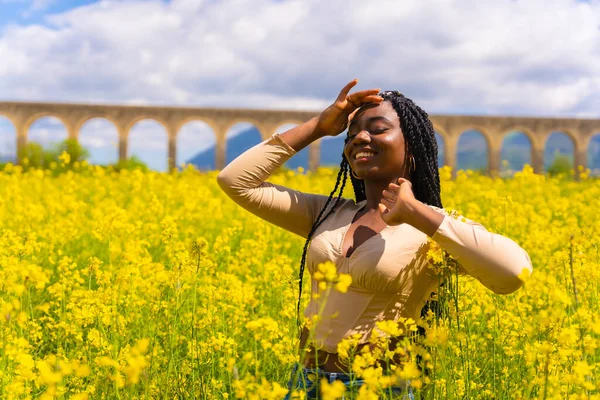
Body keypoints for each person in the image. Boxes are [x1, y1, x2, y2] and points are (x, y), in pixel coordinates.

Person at [217, 79, 533, 399]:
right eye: (351, 135)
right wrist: (319, 126)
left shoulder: (433, 230)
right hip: (306, 383)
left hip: (377, 389)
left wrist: (415, 212)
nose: (360, 139)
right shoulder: (327, 214)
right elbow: (236, 181)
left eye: (378, 129)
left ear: (412, 147)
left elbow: (514, 272)